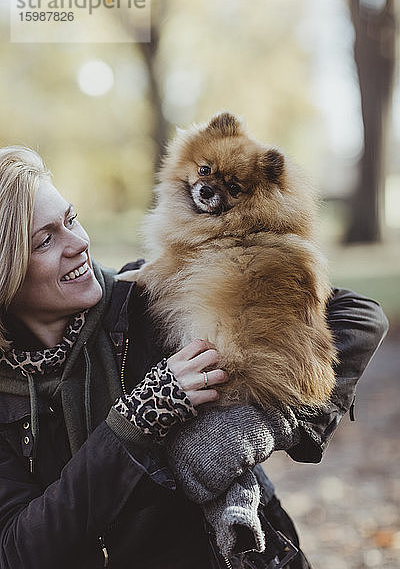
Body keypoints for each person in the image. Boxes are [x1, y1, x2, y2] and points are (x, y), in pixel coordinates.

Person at [0, 146, 388, 569]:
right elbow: (21, 549)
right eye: (45, 240)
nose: (78, 243)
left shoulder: (152, 297)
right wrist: (133, 424)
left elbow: (359, 317)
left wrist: (262, 421)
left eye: (71, 219)